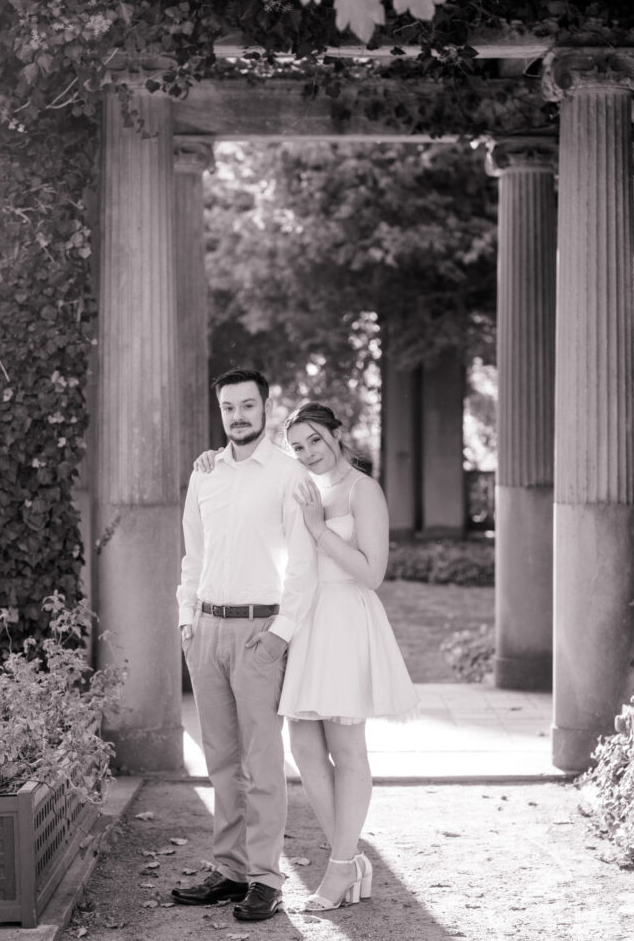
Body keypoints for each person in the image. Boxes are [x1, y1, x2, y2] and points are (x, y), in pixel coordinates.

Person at [195, 400, 418, 913]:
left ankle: (339, 868)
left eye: (315, 439)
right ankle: (352, 856)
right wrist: (210, 460)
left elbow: (373, 573)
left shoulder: (365, 491)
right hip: (304, 625)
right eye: (297, 445)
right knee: (303, 746)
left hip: (344, 621)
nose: (307, 452)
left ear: (337, 435)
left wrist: (319, 530)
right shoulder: (299, 486)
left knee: (346, 748)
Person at [173, 368, 317, 923]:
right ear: (222, 411)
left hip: (260, 633)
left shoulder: (288, 475)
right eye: (229, 407)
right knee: (221, 762)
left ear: (265, 408)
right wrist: (187, 621)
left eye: (247, 405)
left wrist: (279, 636)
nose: (237, 415)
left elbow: (302, 563)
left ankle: (265, 878)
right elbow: (194, 553)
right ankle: (230, 871)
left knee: (261, 762)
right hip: (205, 632)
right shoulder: (205, 474)